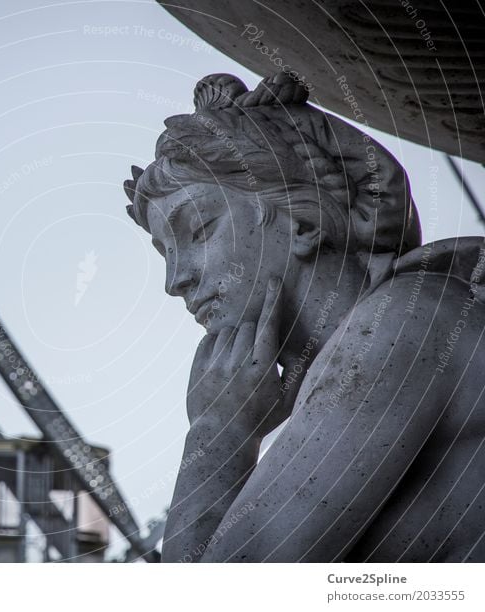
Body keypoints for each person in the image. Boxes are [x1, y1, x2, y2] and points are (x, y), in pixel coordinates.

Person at [124, 73, 485, 562]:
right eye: (164, 254)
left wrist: (218, 433)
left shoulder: (399, 325)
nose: (175, 280)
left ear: (306, 221)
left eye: (197, 230)